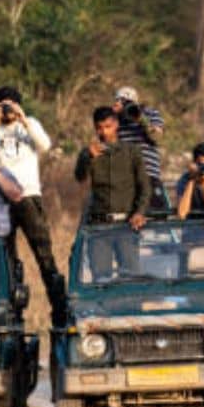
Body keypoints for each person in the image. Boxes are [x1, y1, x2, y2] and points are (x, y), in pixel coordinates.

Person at [0, 85, 67, 326]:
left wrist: (22, 118)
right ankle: (13, 312)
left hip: (29, 195)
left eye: (11, 104)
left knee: (43, 253)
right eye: (2, 105)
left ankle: (59, 309)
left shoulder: (29, 124)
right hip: (2, 198)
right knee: (6, 256)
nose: (7, 109)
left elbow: (45, 145)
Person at [75, 106, 150, 279]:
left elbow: (144, 186)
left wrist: (139, 212)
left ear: (116, 125)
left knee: (131, 278)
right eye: (99, 128)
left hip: (126, 224)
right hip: (99, 226)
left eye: (108, 127)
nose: (104, 132)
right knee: (101, 279)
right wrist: (87, 157)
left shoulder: (131, 151)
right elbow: (80, 178)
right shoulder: (89, 152)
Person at [113, 85, 167, 210]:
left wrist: (140, 118)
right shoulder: (115, 120)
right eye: (119, 100)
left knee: (157, 213)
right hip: (125, 178)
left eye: (126, 102)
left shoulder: (150, 113)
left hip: (148, 175)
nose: (124, 105)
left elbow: (157, 137)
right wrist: (112, 115)